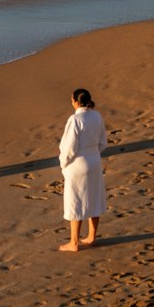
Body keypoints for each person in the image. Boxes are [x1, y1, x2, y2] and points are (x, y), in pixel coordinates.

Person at [58, 87, 107, 252]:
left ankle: (74, 242)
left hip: (78, 164)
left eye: (72, 100)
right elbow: (103, 142)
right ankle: (92, 237)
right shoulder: (97, 116)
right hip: (94, 160)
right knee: (94, 197)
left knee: (75, 201)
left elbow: (69, 147)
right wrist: (94, 154)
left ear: (77, 102)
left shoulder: (75, 119)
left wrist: (63, 164)